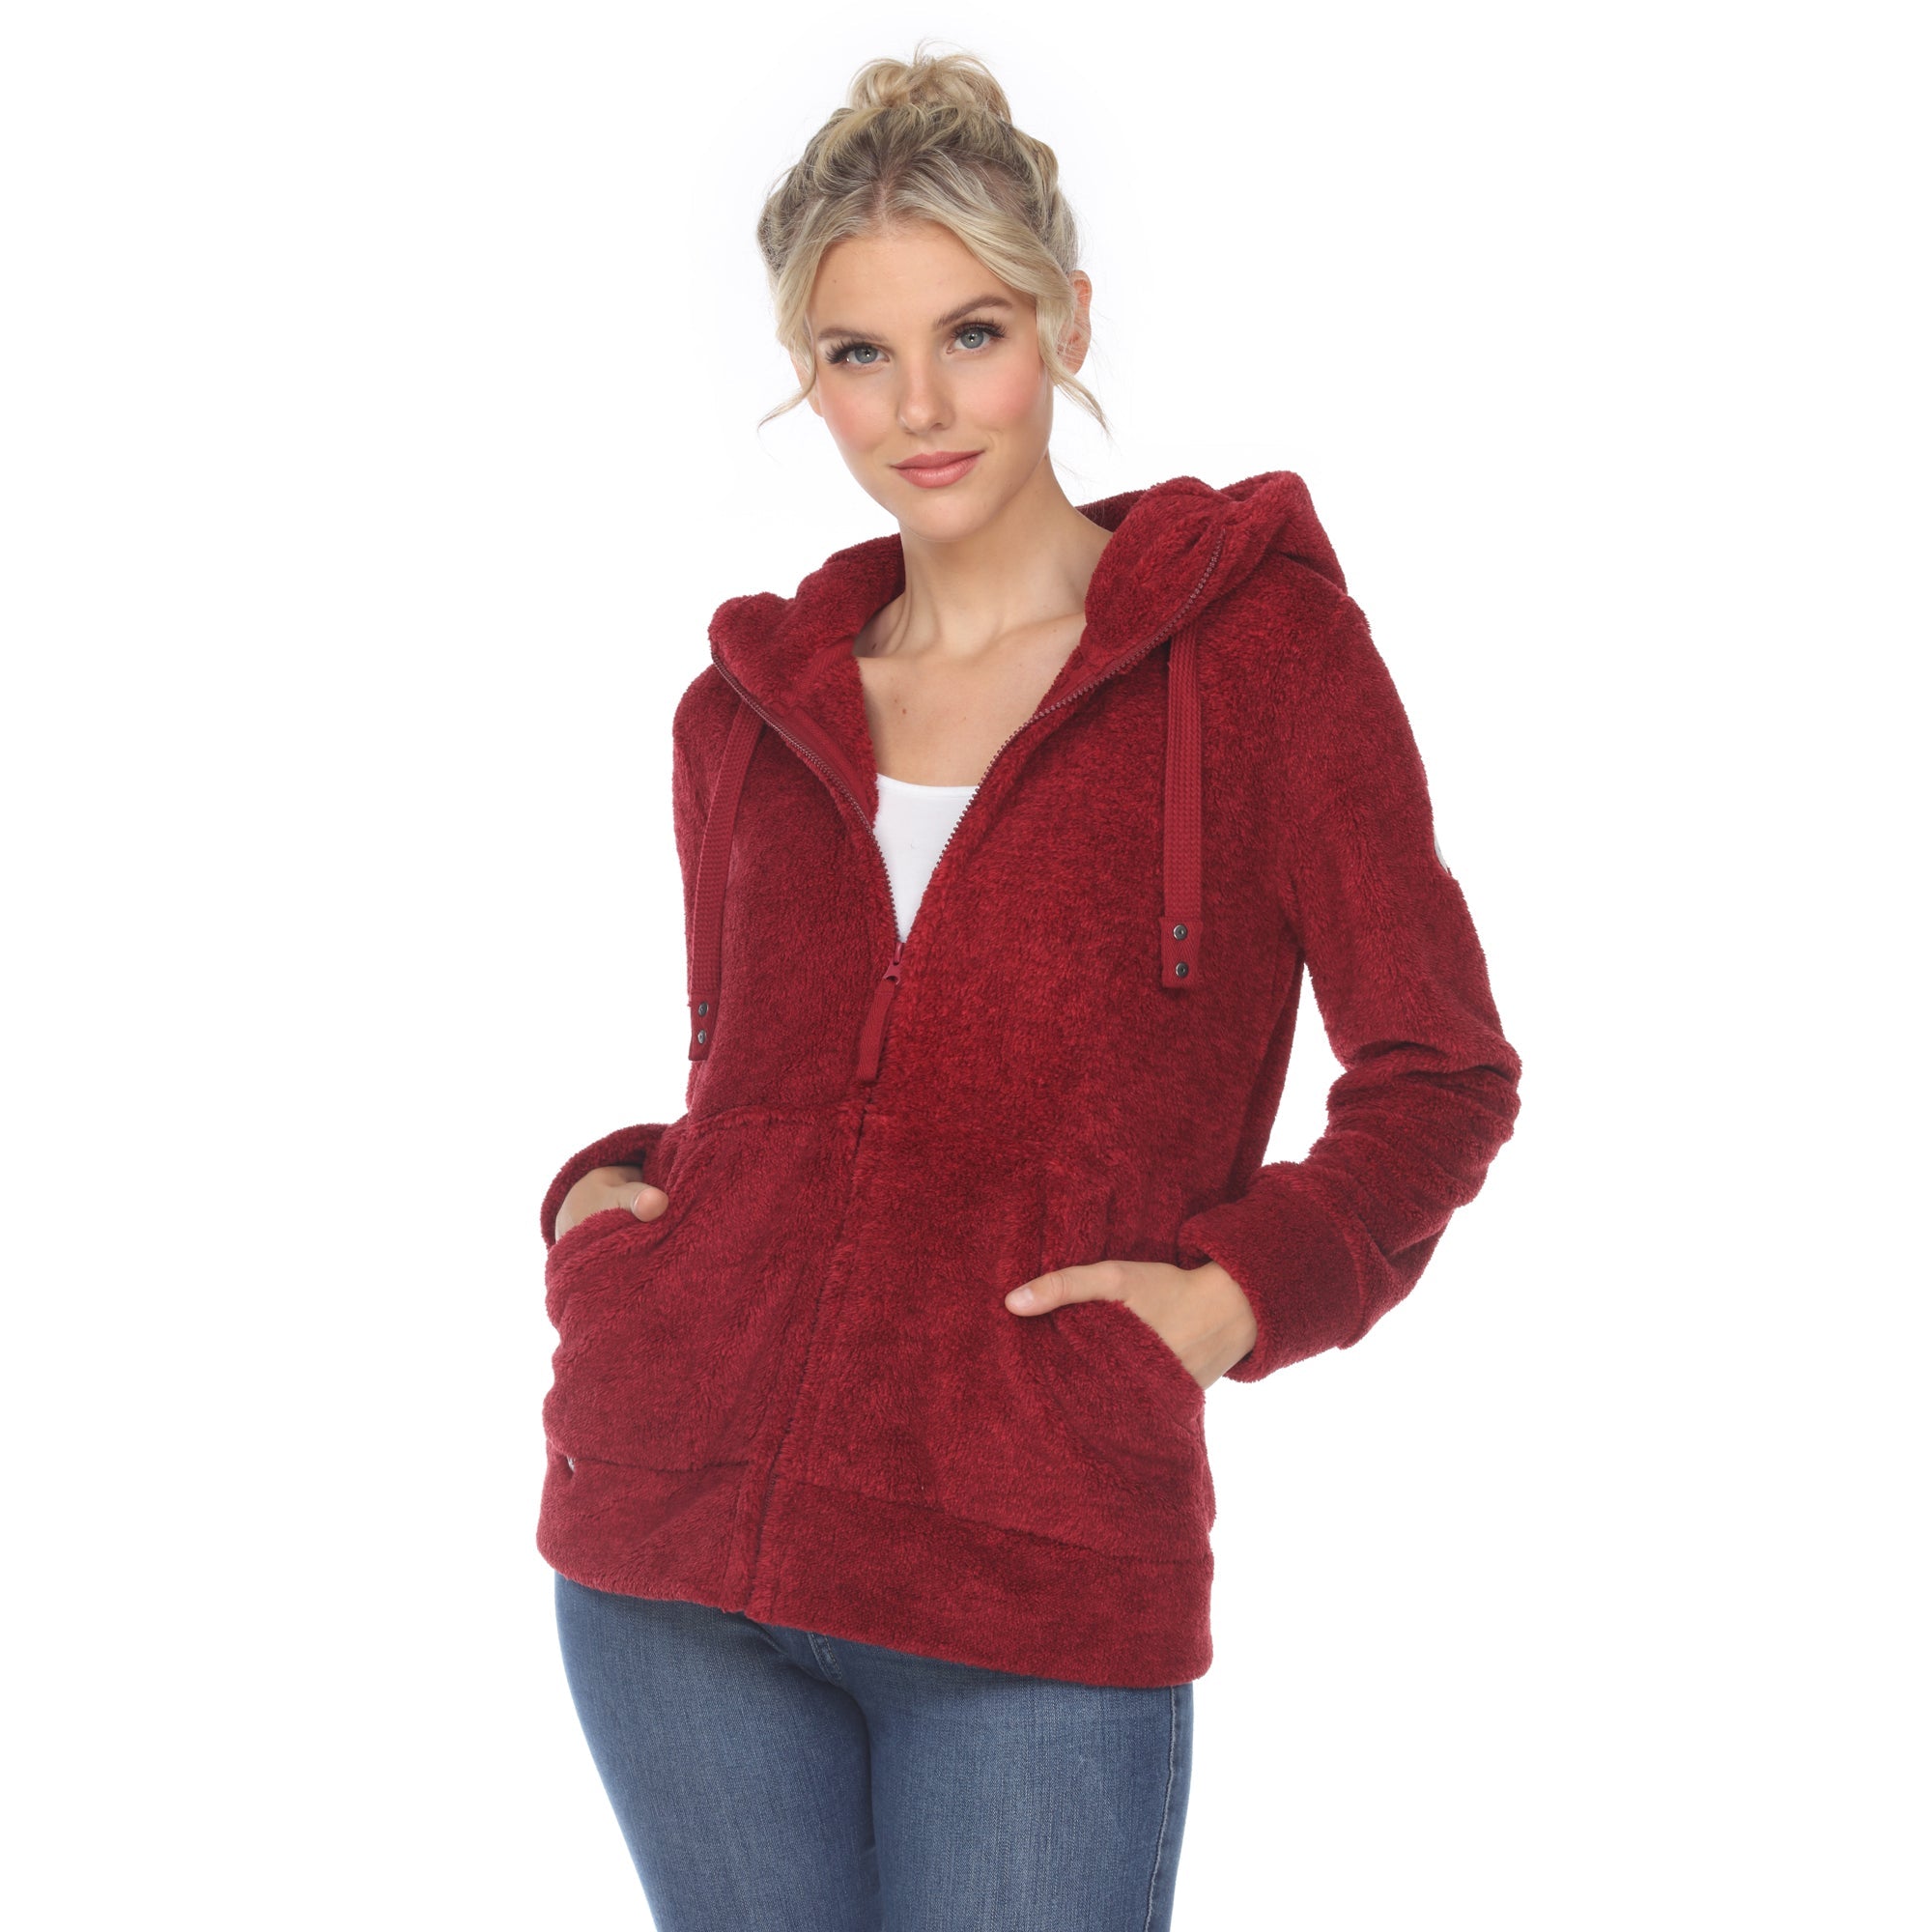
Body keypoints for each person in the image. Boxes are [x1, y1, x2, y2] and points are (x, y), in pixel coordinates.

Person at [537, 46, 1522, 1931]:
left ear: (1066, 318)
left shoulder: (1258, 658)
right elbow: (765, 1090)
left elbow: (1437, 1070)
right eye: (857, 353)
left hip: (1034, 1557)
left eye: (970, 333)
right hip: (673, 1550)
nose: (919, 406)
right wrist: (610, 1207)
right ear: (805, 368)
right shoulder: (744, 717)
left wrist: (1240, 1296)